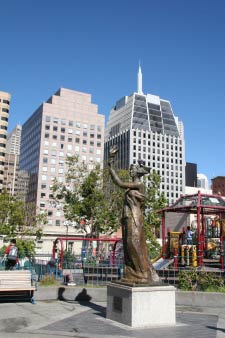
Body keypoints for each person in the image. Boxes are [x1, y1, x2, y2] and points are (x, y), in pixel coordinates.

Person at [108, 145, 160, 285]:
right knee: (128, 244)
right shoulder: (132, 186)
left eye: (133, 169)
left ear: (138, 172)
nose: (130, 171)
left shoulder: (139, 186)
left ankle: (142, 273)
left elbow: (118, 182)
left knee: (133, 244)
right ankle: (133, 272)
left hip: (134, 217)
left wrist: (111, 161)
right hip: (127, 217)